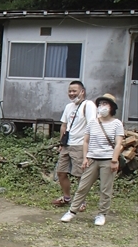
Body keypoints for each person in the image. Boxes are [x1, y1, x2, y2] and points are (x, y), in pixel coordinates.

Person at [60, 94, 124, 226]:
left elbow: (118, 143)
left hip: (107, 159)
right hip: (92, 159)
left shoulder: (117, 123)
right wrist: (85, 157)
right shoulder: (93, 122)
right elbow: (86, 141)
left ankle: (102, 214)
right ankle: (72, 211)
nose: (102, 107)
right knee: (83, 186)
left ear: (111, 107)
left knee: (105, 188)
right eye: (100, 104)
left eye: (105, 104)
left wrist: (114, 160)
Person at [52, 81, 97, 210]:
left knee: (79, 175)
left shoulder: (88, 105)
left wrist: (88, 146)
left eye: (74, 91)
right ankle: (66, 197)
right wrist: (61, 142)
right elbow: (64, 125)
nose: (71, 93)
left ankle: (81, 201)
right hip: (67, 145)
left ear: (82, 91)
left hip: (79, 145)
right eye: (70, 91)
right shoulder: (68, 107)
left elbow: (91, 125)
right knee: (61, 172)